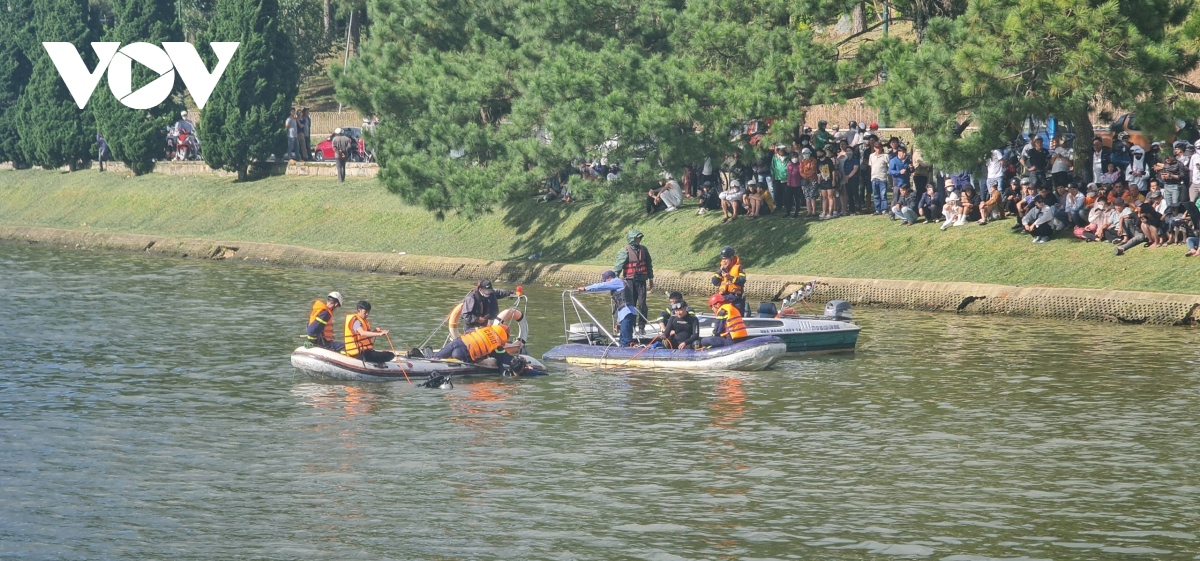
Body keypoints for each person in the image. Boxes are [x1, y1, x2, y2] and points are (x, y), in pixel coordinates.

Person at [433, 311, 524, 369]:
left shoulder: (484, 329)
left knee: (439, 354)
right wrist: (521, 363)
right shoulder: (496, 346)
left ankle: (432, 357)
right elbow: (507, 359)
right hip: (464, 355)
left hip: (458, 342)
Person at [577, 270, 638, 347]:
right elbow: (620, 306)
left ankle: (630, 354)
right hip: (626, 314)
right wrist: (618, 322)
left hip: (627, 314)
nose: (606, 283)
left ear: (609, 278)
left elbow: (601, 286)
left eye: (605, 280)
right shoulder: (620, 283)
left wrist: (586, 288)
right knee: (622, 340)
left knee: (626, 340)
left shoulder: (616, 281)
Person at [614, 229, 653, 333]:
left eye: (639, 238)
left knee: (642, 304)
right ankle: (630, 326)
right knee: (630, 304)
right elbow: (618, 266)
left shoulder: (644, 249)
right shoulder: (625, 251)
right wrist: (615, 280)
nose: (638, 240)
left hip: (641, 281)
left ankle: (641, 326)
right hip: (629, 281)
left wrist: (651, 278)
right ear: (632, 239)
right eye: (637, 238)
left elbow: (648, 264)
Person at [712, 245, 747, 314]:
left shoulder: (739, 268)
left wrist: (729, 277)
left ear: (731, 258)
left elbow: (742, 281)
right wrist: (720, 271)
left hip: (736, 299)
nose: (724, 261)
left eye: (726, 259)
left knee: (737, 316)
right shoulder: (721, 269)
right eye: (723, 259)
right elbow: (714, 282)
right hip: (723, 299)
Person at [868, 142, 890, 215]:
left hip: (882, 177)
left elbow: (888, 166)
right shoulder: (871, 156)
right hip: (874, 177)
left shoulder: (885, 156)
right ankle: (877, 210)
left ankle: (884, 209)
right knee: (876, 195)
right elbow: (871, 166)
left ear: (881, 148)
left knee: (883, 195)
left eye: (879, 147)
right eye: (876, 147)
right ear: (874, 148)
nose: (878, 149)